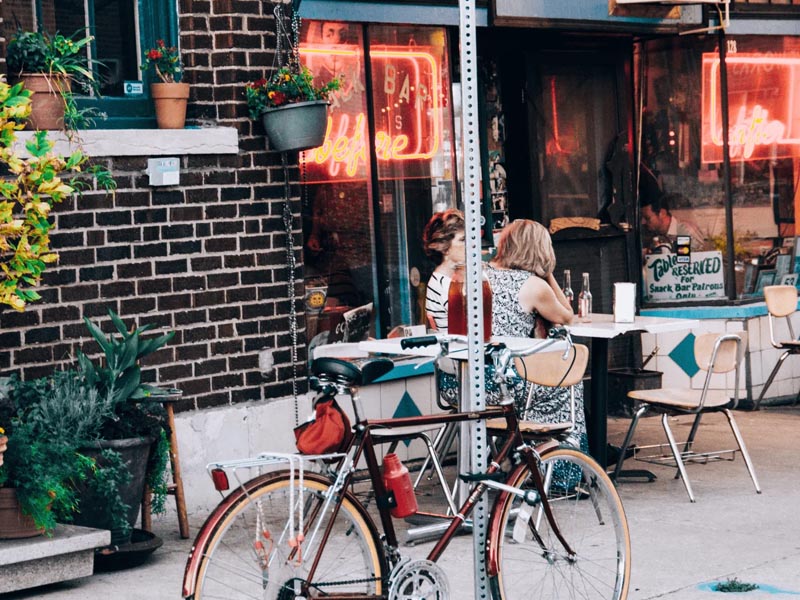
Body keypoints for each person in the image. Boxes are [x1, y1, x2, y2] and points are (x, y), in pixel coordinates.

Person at [484, 219, 586, 447]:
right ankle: (557, 465)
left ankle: (514, 452)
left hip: (475, 379)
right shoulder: (532, 285)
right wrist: (547, 273)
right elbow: (567, 315)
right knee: (566, 381)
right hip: (506, 382)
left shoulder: (482, 274)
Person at [639, 165, 707, 252]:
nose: (643, 222)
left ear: (662, 213)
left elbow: (684, 261)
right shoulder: (658, 236)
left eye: (648, 218)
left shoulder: (683, 231)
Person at [422, 209, 466, 331]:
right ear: (444, 248)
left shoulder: (451, 278)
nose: (471, 245)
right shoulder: (444, 285)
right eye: (463, 240)